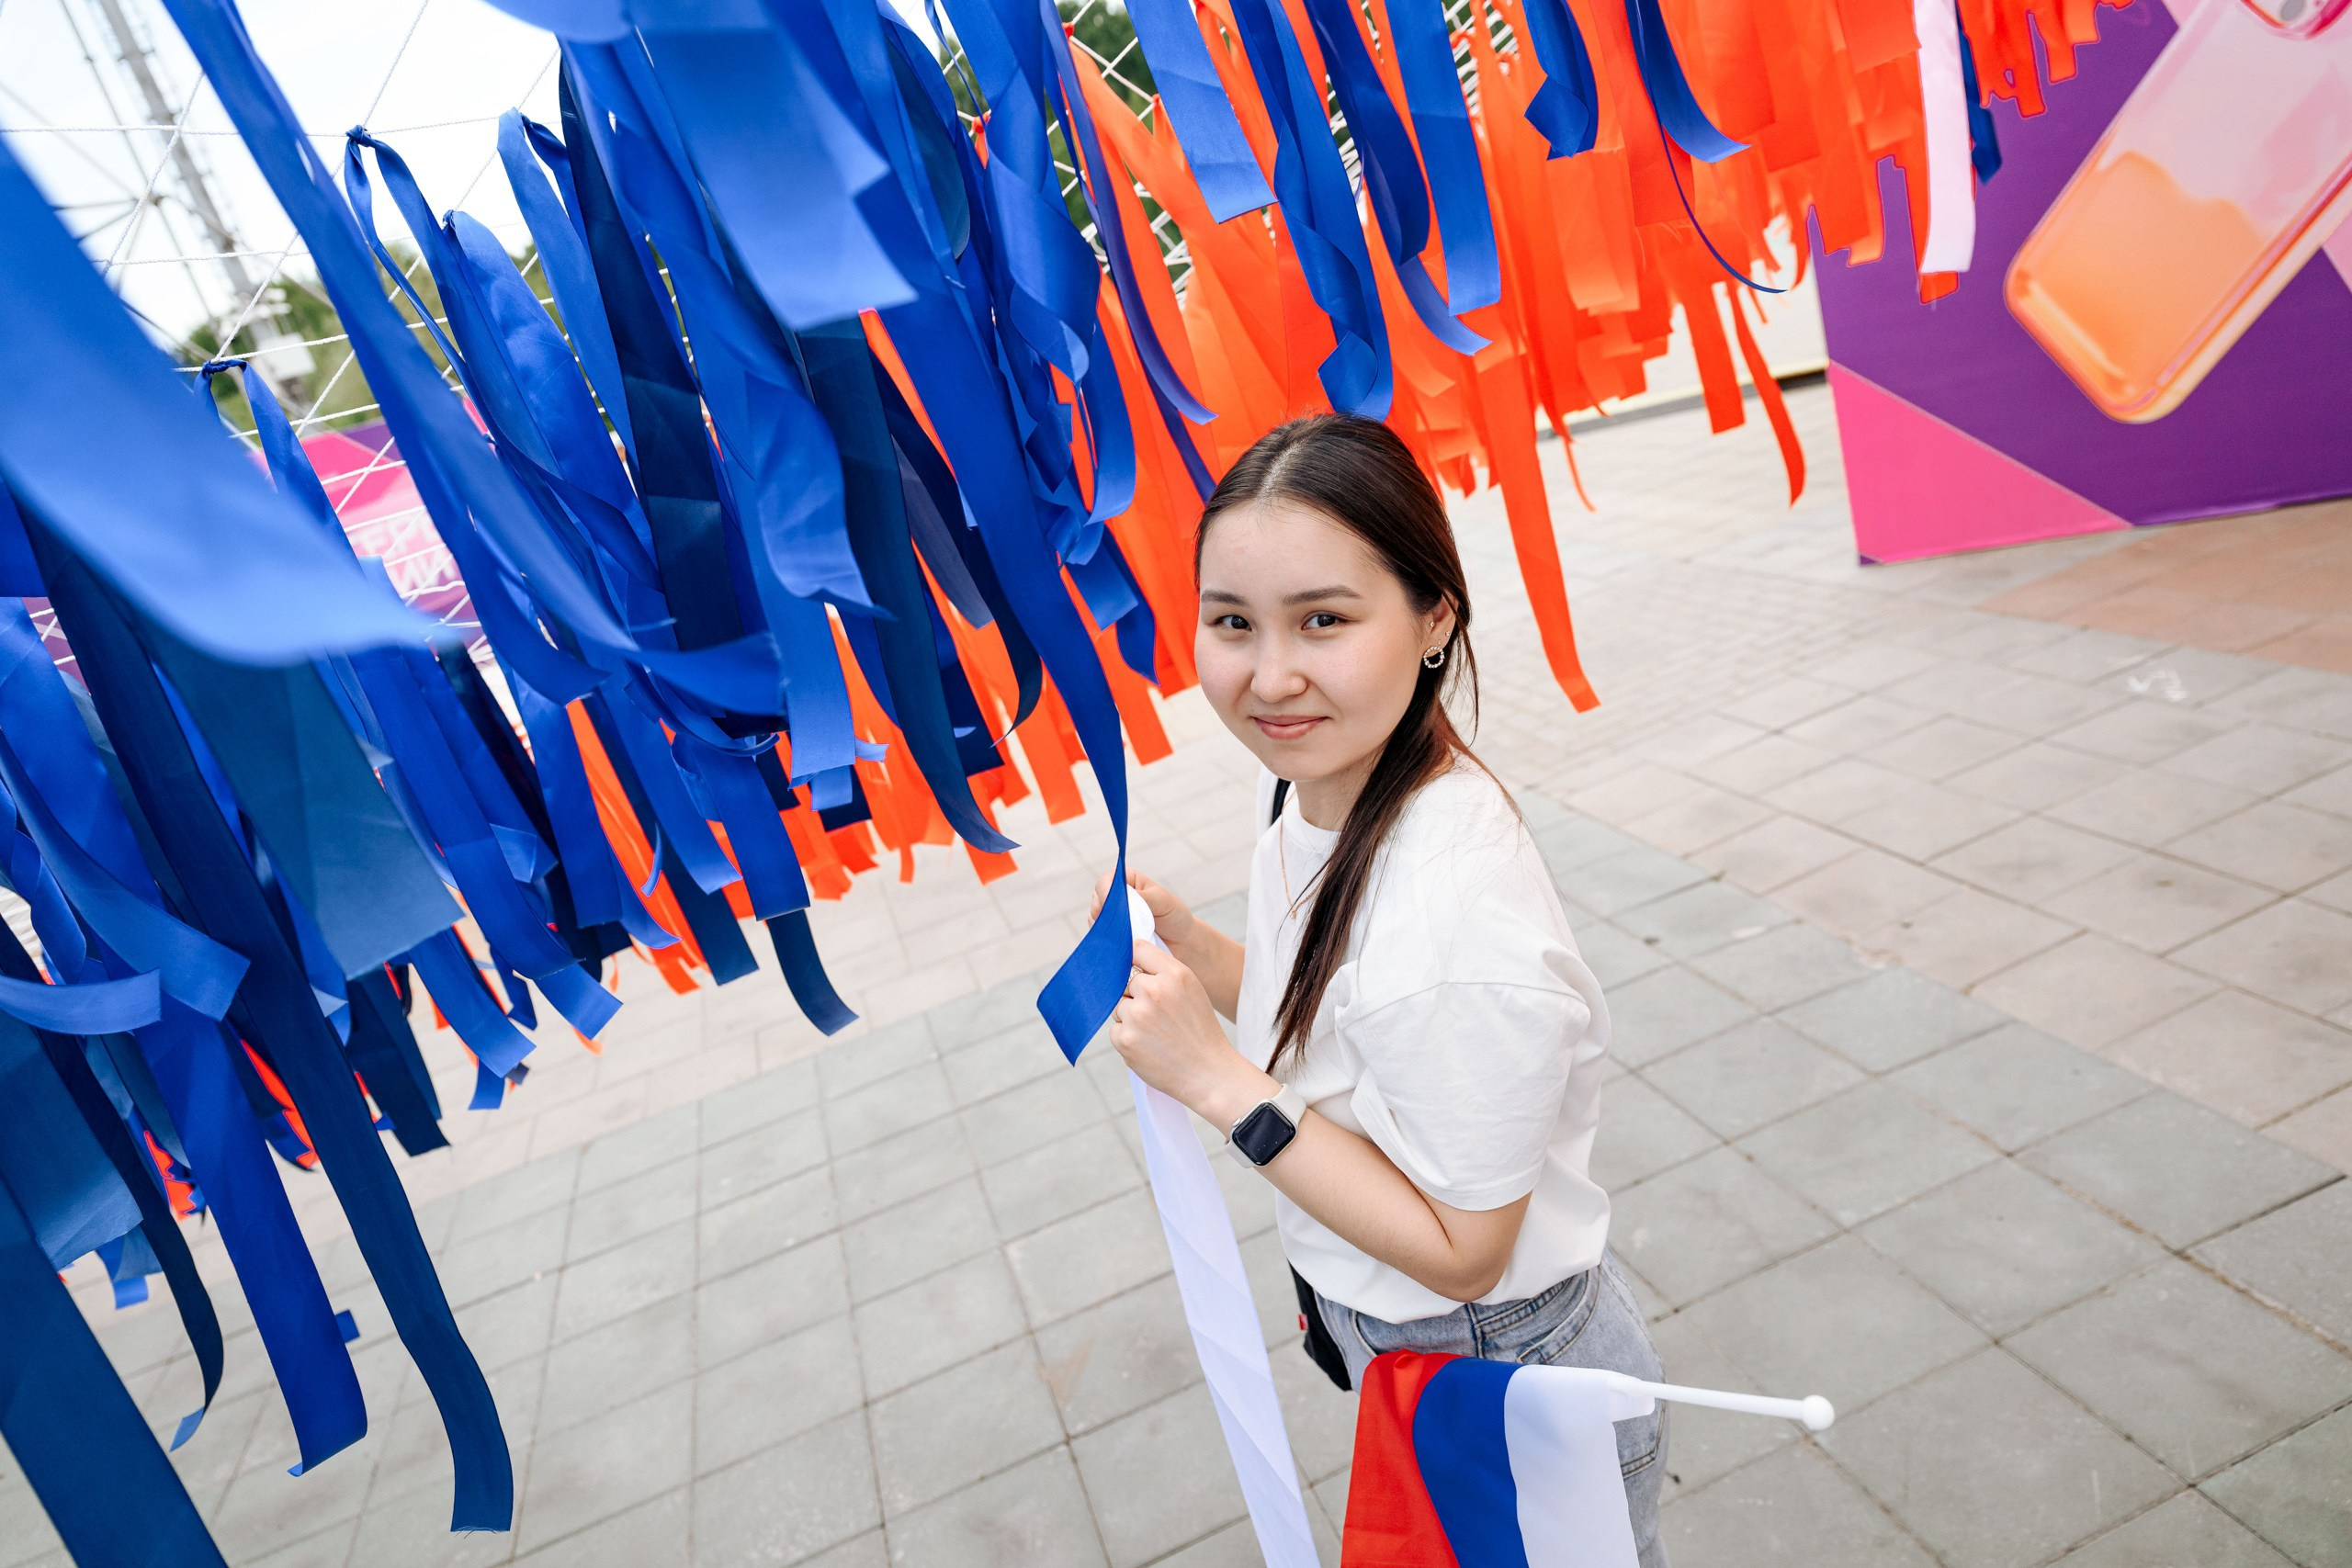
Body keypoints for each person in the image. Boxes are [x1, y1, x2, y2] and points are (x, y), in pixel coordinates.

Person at [1096, 414, 1668, 1564]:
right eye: (1231, 623)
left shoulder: (1449, 917)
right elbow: (1349, 1027)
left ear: (1432, 618)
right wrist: (1197, 948)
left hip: (1499, 1367)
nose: (1268, 676)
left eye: (1324, 620)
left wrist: (1221, 1088)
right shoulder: (1333, 787)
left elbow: (1464, 1249)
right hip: (1429, 1353)